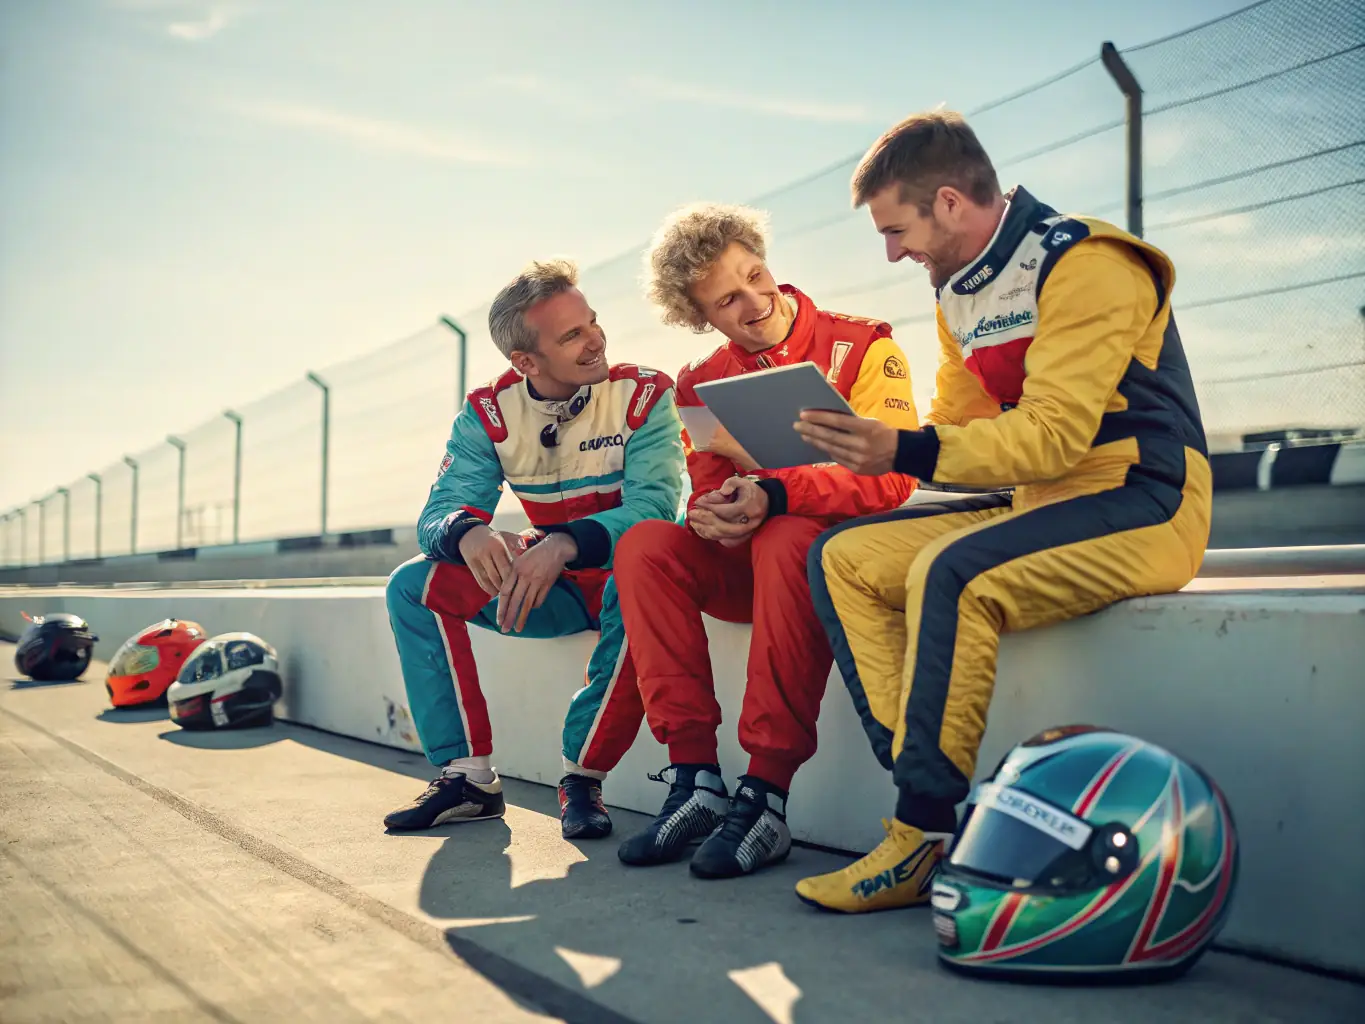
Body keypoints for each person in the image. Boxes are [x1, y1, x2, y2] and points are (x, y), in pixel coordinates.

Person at [791, 110, 1212, 912]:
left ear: (948, 202)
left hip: (1146, 498)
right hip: (1040, 499)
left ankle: (919, 831)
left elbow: (1053, 437)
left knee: (950, 574)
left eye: (895, 229)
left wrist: (905, 451)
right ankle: (919, 783)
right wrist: (852, 444)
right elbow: (959, 432)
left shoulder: (1086, 262)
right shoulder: (960, 288)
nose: (890, 252)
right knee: (842, 556)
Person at [610, 202, 923, 879]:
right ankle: (694, 780)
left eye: (756, 275)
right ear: (702, 317)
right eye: (727, 299)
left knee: (786, 533)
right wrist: (714, 513)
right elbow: (710, 483)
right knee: (643, 545)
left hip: (828, 566)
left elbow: (893, 477)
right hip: (748, 564)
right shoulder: (697, 381)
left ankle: (767, 794)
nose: (755, 302)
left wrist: (773, 487)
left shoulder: (863, 343)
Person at [383, 258, 686, 839]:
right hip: (554, 590)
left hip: (632, 582)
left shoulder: (646, 394)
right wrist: (468, 532)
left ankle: (581, 779)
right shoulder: (488, 413)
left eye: (592, 321)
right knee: (410, 585)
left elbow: (655, 510)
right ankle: (468, 777)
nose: (596, 338)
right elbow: (437, 514)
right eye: (572, 334)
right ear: (525, 361)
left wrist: (564, 543)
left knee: (636, 580)